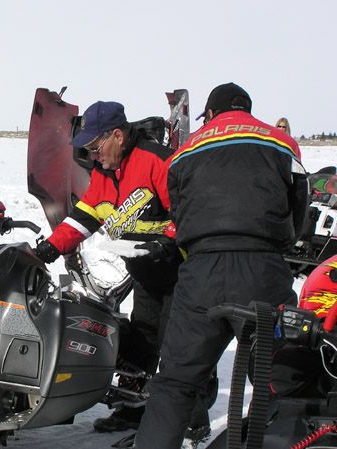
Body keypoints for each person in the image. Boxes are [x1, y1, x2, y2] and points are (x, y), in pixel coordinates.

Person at [130, 82, 309, 449]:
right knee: (284, 379)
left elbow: (179, 210)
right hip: (262, 269)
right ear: (247, 108)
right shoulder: (280, 141)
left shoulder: (186, 149)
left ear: (210, 114)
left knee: (175, 383)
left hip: (201, 272)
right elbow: (299, 200)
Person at [33, 101, 212, 437]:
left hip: (179, 271)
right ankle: (135, 408)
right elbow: (86, 215)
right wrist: (50, 247)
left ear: (117, 135)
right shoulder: (105, 172)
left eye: (95, 146)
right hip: (144, 271)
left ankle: (191, 421)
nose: (92, 155)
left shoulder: (158, 161)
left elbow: (191, 213)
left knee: (178, 347)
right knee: (141, 341)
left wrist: (168, 241)